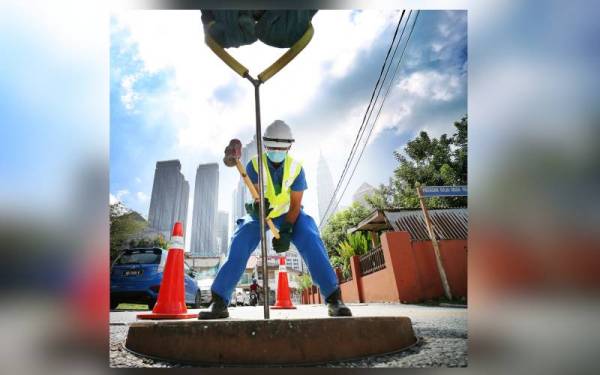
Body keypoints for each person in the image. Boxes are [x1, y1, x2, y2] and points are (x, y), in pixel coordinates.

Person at [199, 120, 352, 319]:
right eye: (271, 147)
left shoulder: (296, 169)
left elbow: (296, 205)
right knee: (241, 239)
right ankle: (219, 301)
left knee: (310, 236)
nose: (276, 151)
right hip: (261, 214)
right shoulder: (254, 164)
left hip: (290, 213)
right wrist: (258, 206)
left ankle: (334, 298)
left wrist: (287, 229)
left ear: (289, 146)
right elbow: (255, 193)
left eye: (281, 148)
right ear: (265, 145)